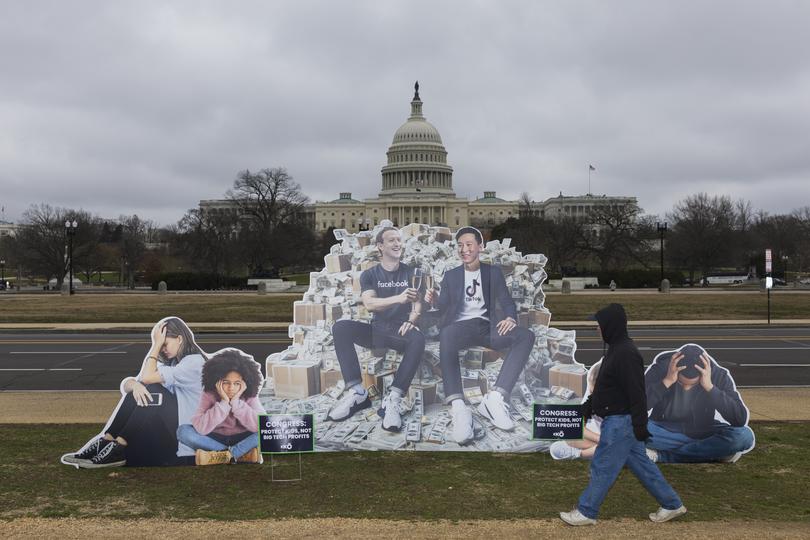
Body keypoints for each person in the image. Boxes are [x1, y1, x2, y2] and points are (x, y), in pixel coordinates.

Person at [560, 303, 686, 526]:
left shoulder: (626, 354)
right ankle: (672, 505)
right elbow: (605, 390)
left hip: (621, 422)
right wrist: (586, 410)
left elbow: (637, 393)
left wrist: (639, 426)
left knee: (603, 465)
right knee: (643, 466)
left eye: (599, 325)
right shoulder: (616, 350)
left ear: (611, 325)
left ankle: (586, 511)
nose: (596, 329)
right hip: (619, 420)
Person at [425, 226, 535, 445]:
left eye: (469, 245)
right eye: (460, 246)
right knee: (447, 334)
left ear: (480, 247)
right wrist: (435, 299)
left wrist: (510, 318)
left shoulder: (492, 273)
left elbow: (505, 300)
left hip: (487, 327)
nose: (464, 250)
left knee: (526, 336)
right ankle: (458, 406)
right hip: (460, 328)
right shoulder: (451, 276)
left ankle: (495, 398)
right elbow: (443, 308)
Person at [62, 317, 207, 468]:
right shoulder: (174, 363)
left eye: (165, 344)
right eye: (161, 345)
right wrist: (136, 386)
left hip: (186, 432)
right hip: (171, 426)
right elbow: (129, 385)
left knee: (154, 390)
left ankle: (118, 448)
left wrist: (155, 345)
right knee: (140, 389)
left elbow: (147, 378)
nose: (162, 349)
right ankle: (106, 442)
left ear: (179, 339)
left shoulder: (194, 363)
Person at [328, 226, 425, 432]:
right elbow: (370, 304)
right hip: (377, 331)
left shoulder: (411, 272)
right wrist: (399, 298)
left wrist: (413, 320)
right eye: (392, 240)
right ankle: (357, 393)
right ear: (380, 246)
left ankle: (393, 399)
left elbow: (418, 303)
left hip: (400, 332)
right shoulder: (370, 274)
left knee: (418, 339)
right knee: (341, 327)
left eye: (399, 240)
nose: (398, 244)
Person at [645, 344, 755, 464]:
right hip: (663, 428)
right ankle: (713, 450)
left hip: (702, 430)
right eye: (681, 383)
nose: (687, 388)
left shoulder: (718, 375)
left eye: (692, 385)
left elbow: (739, 419)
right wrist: (667, 382)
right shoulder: (660, 370)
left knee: (744, 436)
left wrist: (710, 388)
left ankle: (662, 456)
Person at [177, 349, 266, 465]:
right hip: (214, 438)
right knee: (183, 431)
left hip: (243, 437)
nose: (231, 388)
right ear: (217, 381)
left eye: (237, 383)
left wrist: (236, 403)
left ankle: (224, 456)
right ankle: (240, 455)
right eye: (226, 382)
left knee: (267, 430)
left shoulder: (249, 395)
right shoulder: (209, 393)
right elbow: (201, 428)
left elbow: (261, 425)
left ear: (244, 384)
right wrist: (224, 403)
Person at [549, 360, 602, 460]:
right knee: (567, 437)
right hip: (603, 440)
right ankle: (597, 452)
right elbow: (579, 426)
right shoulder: (592, 397)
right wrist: (600, 439)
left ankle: (580, 454)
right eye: (591, 390)